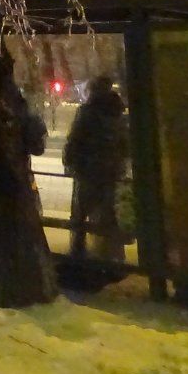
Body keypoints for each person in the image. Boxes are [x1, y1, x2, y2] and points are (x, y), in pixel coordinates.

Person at [63, 76, 129, 261]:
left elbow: (75, 139)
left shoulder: (87, 112)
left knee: (81, 213)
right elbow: (124, 143)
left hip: (88, 169)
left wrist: (69, 162)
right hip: (111, 170)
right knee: (107, 212)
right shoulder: (117, 111)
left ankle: (78, 251)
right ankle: (112, 254)